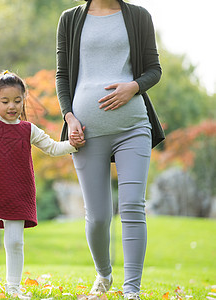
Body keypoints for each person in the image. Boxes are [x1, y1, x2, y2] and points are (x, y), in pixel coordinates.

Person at [56, 0, 164, 299]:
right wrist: (69, 117)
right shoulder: (70, 19)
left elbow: (154, 70)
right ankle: (103, 276)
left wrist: (133, 87)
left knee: (132, 206)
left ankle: (132, 291)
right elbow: (62, 76)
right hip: (86, 133)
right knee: (99, 216)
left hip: (133, 126)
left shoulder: (139, 16)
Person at [0, 71, 81, 298]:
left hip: (18, 193)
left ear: (23, 100)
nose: (12, 106)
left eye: (17, 101)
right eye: (5, 101)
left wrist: (73, 145)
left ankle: (13, 288)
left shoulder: (28, 129)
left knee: (15, 242)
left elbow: (53, 148)